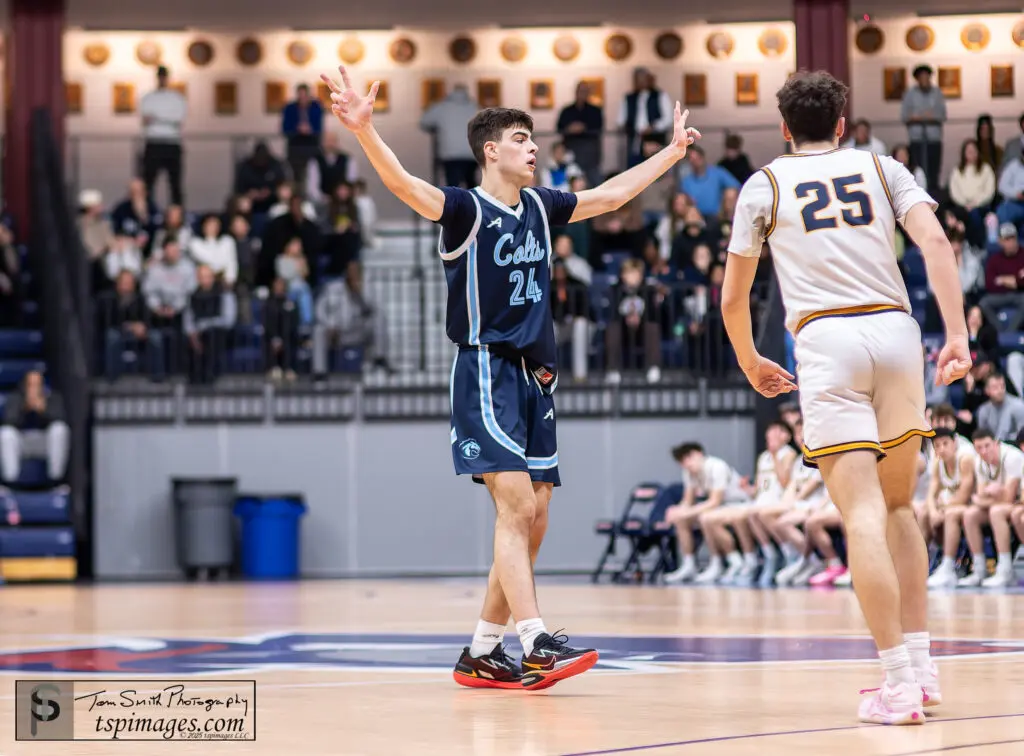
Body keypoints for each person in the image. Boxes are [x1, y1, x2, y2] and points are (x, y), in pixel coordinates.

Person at [320, 64, 700, 690]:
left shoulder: (542, 207)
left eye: (534, 140)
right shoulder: (466, 209)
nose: (535, 149)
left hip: (537, 376)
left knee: (535, 514)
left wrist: (670, 153)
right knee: (516, 504)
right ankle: (536, 642)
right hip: (485, 367)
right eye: (523, 140)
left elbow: (608, 197)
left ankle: (482, 650)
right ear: (492, 151)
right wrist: (365, 131)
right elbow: (404, 185)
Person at [720, 70, 971, 725]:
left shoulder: (764, 184)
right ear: (841, 122)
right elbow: (937, 243)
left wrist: (750, 361)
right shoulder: (882, 166)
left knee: (859, 513)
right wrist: (959, 335)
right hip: (896, 331)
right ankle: (922, 668)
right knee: (900, 508)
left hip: (827, 339)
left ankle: (897, 684)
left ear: (782, 128)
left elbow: (733, 295)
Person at [922, 428, 976, 588]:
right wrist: (933, 511)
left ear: (955, 443)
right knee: (924, 513)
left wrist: (942, 509)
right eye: (937, 446)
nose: (941, 449)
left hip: (972, 505)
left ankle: (948, 567)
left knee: (950, 514)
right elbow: (931, 493)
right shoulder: (938, 463)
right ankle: (921, 562)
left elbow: (964, 497)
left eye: (945, 444)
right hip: (952, 506)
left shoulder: (965, 459)